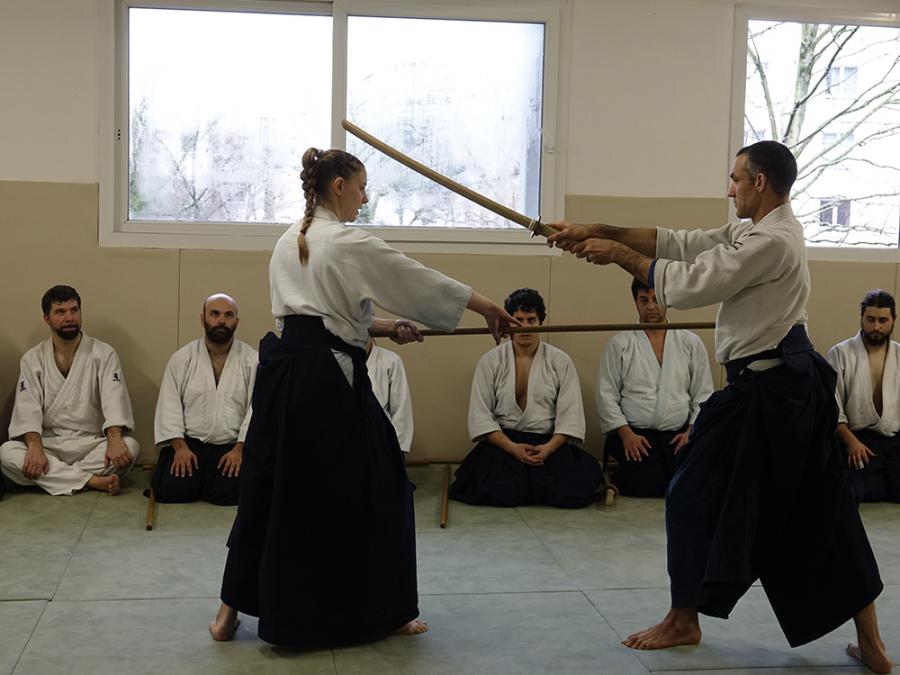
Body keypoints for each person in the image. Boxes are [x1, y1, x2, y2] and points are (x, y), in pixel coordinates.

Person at [548, 141, 890, 673]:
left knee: (732, 501)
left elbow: (692, 283)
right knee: (808, 507)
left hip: (779, 393)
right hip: (767, 388)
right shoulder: (756, 230)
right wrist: (599, 229)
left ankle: (687, 619)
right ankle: (865, 644)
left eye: (735, 179)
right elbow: (681, 243)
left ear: (760, 182)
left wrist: (617, 257)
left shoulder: (773, 240)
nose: (729, 189)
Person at [209, 147, 519, 648]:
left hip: (284, 374)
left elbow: (315, 317)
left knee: (269, 488)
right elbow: (413, 277)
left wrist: (385, 327)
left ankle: (227, 614)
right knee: (384, 485)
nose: (364, 198)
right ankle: (385, 611)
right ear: (338, 186)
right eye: (360, 187)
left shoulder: (289, 240)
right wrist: (486, 307)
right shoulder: (345, 241)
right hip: (326, 383)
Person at [449, 288, 602, 508]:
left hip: (547, 443)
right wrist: (513, 448)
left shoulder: (560, 361)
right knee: (496, 490)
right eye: (518, 320)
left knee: (574, 489)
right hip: (505, 443)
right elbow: (480, 416)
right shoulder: (491, 361)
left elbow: (570, 416)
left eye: (531, 320)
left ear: (541, 322)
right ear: (507, 323)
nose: (525, 327)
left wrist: (547, 449)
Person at [0, 285, 139, 496]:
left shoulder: (103, 353)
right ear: (46, 319)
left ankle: (57, 478)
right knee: (7, 452)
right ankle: (92, 480)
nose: (70, 318)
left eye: (74, 310)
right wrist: (35, 448)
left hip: (90, 443)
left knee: (130, 447)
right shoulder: (33, 359)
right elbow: (27, 409)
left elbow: (114, 400)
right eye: (60, 312)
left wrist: (114, 439)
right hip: (48, 444)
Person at [598, 278, 713, 496]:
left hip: (678, 435)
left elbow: (703, 394)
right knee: (643, 485)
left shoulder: (690, 342)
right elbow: (606, 396)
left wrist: (691, 432)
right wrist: (626, 434)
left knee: (689, 482)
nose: (651, 306)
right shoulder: (620, 344)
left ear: (667, 300)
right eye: (644, 300)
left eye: (656, 299)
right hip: (636, 435)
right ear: (635, 302)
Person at [151, 293, 258, 505]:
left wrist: (240, 450)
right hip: (190, 445)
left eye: (228, 315)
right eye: (214, 314)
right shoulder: (182, 358)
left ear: (236, 322)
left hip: (232, 446)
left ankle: (210, 481)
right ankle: (197, 477)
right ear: (203, 319)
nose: (221, 320)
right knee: (173, 490)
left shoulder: (252, 359)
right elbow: (169, 406)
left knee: (230, 494)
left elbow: (256, 408)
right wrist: (180, 448)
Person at [826, 289, 900, 503]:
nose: (876, 327)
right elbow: (832, 408)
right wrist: (851, 442)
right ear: (861, 317)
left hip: (893, 441)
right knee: (851, 491)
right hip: (856, 440)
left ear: (893, 320)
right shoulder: (840, 354)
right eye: (870, 319)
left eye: (883, 320)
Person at [366, 338, 414, 453]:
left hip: (382, 441)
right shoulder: (338, 359)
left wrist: (398, 449)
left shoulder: (390, 360)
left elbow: (401, 409)